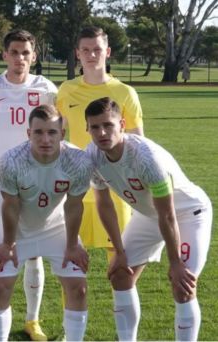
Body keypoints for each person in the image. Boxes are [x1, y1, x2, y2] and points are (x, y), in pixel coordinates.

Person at [85, 97, 213, 341]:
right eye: (95, 127)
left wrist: (175, 263)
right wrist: (118, 251)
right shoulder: (92, 156)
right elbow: (104, 204)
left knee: (183, 286)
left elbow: (168, 214)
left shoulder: (146, 158)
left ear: (122, 124)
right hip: (149, 215)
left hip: (187, 213)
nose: (102, 132)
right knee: (120, 274)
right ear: (87, 129)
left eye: (108, 125)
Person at [0, 29, 58, 341]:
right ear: (4, 54)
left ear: (34, 56)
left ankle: (33, 321)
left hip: (33, 182)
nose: (20, 58)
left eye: (26, 53)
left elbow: (57, 126)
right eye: (14, 52)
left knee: (33, 253)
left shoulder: (45, 87)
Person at [0, 105, 92, 342]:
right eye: (38, 132)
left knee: (78, 288)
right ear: (28, 133)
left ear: (61, 134)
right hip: (18, 230)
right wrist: (8, 243)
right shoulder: (11, 161)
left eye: (52, 132)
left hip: (57, 228)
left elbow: (74, 205)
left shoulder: (78, 161)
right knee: (1, 287)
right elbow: (11, 206)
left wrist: (73, 244)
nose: (45, 139)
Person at [56, 26, 143, 264]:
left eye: (97, 49)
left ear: (108, 52)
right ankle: (73, 304)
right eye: (86, 50)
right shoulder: (66, 91)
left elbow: (138, 143)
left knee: (120, 260)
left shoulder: (124, 92)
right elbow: (57, 136)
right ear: (77, 53)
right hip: (77, 189)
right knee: (71, 260)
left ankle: (122, 302)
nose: (91, 55)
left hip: (116, 189)